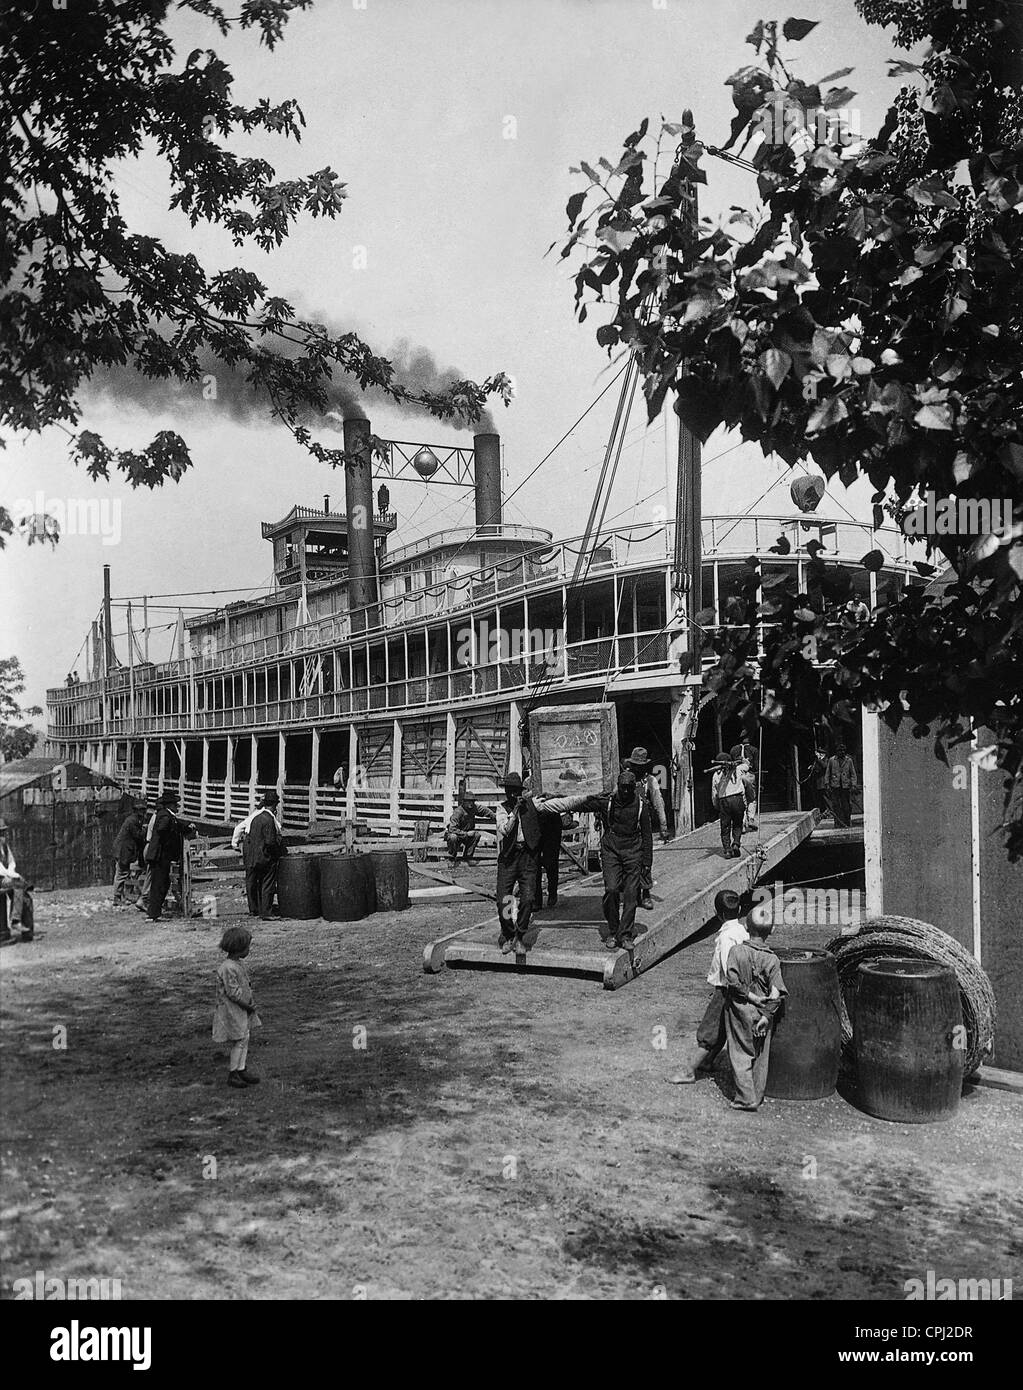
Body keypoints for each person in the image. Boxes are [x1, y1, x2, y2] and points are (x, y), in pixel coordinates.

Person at [537, 768, 652, 951]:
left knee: (631, 895)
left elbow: (647, 835)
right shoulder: (607, 801)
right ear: (618, 787)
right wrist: (554, 796)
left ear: (634, 787)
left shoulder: (641, 805)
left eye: (629, 788)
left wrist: (647, 863)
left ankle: (626, 934)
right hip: (611, 850)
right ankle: (614, 931)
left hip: (633, 851)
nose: (626, 792)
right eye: (623, 788)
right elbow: (579, 803)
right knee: (612, 889)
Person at [667, 889, 748, 1084]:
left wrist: (729, 988)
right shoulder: (742, 931)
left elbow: (729, 967)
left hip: (726, 989)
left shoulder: (726, 937)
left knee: (709, 1031)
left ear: (718, 914)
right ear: (740, 910)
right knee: (721, 1029)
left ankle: (689, 1070)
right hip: (739, 987)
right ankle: (708, 1061)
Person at [724, 901, 787, 1111]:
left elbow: (731, 982)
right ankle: (758, 1096)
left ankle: (745, 1098)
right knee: (761, 1055)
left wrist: (750, 996)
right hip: (762, 1014)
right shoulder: (773, 959)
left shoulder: (736, 951)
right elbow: (776, 992)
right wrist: (766, 1016)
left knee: (740, 1052)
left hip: (739, 1010)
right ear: (772, 930)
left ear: (746, 927)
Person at [494, 771, 543, 955]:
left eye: (516, 791)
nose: (513, 795)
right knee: (503, 900)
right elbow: (505, 830)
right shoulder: (501, 809)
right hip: (509, 858)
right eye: (510, 791)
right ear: (506, 792)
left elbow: (554, 804)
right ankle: (508, 934)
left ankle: (520, 936)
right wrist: (514, 811)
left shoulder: (531, 805)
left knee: (528, 898)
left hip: (527, 857)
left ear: (520, 791)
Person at [212, 925, 261, 1089]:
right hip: (233, 1009)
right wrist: (248, 1006)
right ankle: (233, 1073)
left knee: (244, 1037)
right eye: (247, 947)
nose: (249, 950)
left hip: (241, 1008)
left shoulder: (236, 964)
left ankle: (241, 1069)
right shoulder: (228, 968)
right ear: (240, 949)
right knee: (239, 1039)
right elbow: (233, 993)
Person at [622, 746, 670, 910]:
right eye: (635, 765)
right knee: (629, 860)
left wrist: (663, 826)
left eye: (640, 765)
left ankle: (646, 894)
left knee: (644, 860)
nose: (637, 768)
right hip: (627, 826)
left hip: (643, 825)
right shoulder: (624, 779)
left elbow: (658, 803)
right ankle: (633, 894)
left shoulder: (650, 781)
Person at [144, 790, 195, 922]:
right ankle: (153, 913)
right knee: (159, 884)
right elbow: (164, 829)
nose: (177, 807)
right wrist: (169, 842)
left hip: (159, 855)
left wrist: (187, 828)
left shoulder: (166, 815)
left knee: (162, 883)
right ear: (170, 805)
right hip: (160, 855)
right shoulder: (166, 817)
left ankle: (155, 912)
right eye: (176, 804)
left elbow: (178, 826)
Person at [242, 790, 286, 921]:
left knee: (255, 883)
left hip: (252, 856)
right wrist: (277, 853)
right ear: (274, 806)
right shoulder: (269, 820)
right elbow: (270, 842)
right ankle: (266, 911)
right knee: (267, 883)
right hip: (264, 857)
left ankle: (256, 909)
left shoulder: (256, 818)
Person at [710, 750, 752, 858]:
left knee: (725, 826)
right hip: (737, 799)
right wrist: (742, 760)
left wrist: (716, 806)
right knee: (737, 823)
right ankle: (736, 844)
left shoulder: (716, 775)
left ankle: (727, 850)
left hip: (724, 801)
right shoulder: (738, 769)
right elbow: (747, 765)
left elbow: (714, 793)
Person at [0, 818, 35, 943]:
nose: (2, 836)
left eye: (3, 832)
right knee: (18, 884)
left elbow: (11, 862)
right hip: (1, 878)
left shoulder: (4, 845)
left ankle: (24, 929)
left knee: (23, 895)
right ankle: (15, 920)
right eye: (0, 833)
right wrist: (12, 876)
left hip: (5, 878)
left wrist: (13, 873)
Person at [112, 799, 147, 907]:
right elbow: (138, 836)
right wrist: (145, 830)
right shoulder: (133, 821)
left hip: (123, 850)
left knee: (122, 873)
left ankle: (121, 896)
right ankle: (117, 897)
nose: (143, 812)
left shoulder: (133, 820)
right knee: (121, 873)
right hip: (123, 851)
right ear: (137, 811)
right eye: (141, 810)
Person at [533, 806, 563, 910]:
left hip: (552, 827)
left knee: (551, 863)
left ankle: (552, 893)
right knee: (534, 865)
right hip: (535, 827)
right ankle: (537, 901)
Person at [824, 740, 858, 828]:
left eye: (843, 750)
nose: (842, 752)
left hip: (845, 787)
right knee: (836, 805)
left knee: (846, 806)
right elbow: (828, 773)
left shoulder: (849, 760)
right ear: (837, 751)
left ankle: (847, 822)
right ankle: (838, 823)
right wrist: (827, 784)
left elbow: (853, 774)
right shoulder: (832, 760)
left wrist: (853, 785)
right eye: (840, 750)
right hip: (835, 786)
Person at [445, 793, 482, 863]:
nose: (471, 803)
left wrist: (494, 816)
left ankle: (467, 857)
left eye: (472, 801)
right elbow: (452, 829)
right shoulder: (458, 812)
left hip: (466, 835)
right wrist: (466, 834)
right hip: (456, 835)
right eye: (469, 801)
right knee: (453, 837)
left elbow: (483, 810)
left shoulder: (472, 809)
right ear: (464, 802)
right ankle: (452, 857)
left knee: (476, 835)